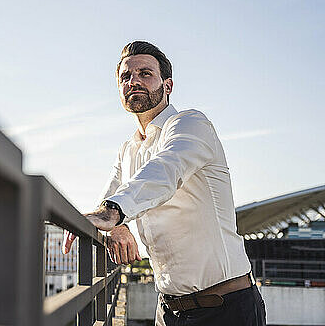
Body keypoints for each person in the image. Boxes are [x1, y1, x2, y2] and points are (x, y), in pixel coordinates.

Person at [62, 41, 266, 326]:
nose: (133, 81)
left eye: (145, 73)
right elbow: (113, 194)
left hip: (226, 308)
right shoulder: (128, 149)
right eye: (126, 76)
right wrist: (118, 224)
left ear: (168, 86)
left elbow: (165, 171)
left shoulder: (191, 124)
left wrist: (114, 213)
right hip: (168, 310)